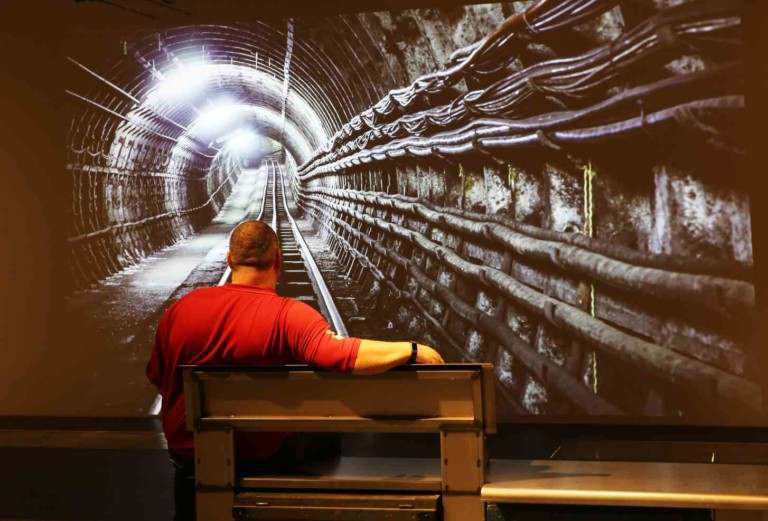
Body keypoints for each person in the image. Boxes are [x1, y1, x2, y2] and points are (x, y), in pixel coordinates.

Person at [146, 219, 444, 520]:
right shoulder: (287, 315)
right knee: (321, 436)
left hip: (188, 461)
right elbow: (341, 355)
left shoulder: (180, 310)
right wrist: (412, 349)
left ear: (229, 260)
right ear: (278, 260)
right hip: (258, 459)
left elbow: (159, 379)